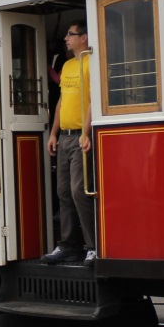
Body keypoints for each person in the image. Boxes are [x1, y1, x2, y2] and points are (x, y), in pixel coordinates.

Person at [43, 20, 97, 265]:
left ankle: (92, 246)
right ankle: (68, 245)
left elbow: (93, 100)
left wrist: (86, 132)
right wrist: (53, 133)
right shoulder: (67, 65)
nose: (66, 38)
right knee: (63, 192)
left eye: (71, 34)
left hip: (79, 136)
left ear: (84, 38)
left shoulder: (91, 62)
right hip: (64, 135)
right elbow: (62, 102)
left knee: (79, 191)